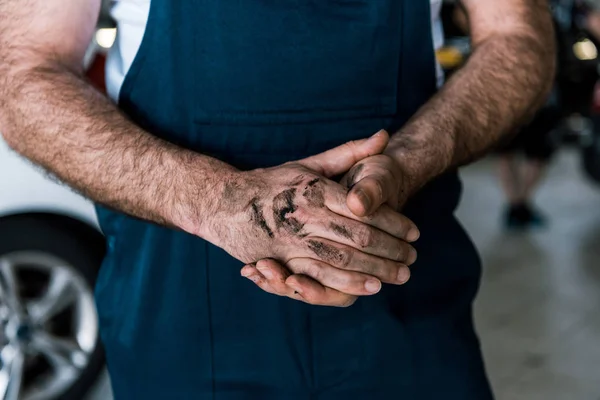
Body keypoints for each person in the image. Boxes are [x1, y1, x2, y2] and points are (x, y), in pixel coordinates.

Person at [0, 0, 554, 399]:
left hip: (407, 303)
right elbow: (24, 69)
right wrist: (221, 201)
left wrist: (406, 161)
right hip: (183, 315)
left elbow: (519, 40)